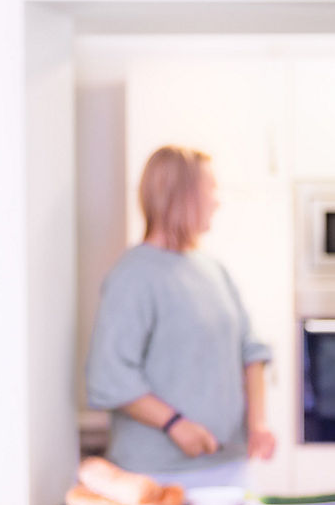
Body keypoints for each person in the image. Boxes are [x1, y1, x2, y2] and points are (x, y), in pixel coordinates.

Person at [85, 145, 275, 487]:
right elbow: (109, 376)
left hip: (228, 466)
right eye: (210, 189)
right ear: (180, 194)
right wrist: (175, 424)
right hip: (157, 475)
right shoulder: (133, 276)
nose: (217, 201)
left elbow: (252, 351)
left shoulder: (214, 270)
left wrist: (258, 423)